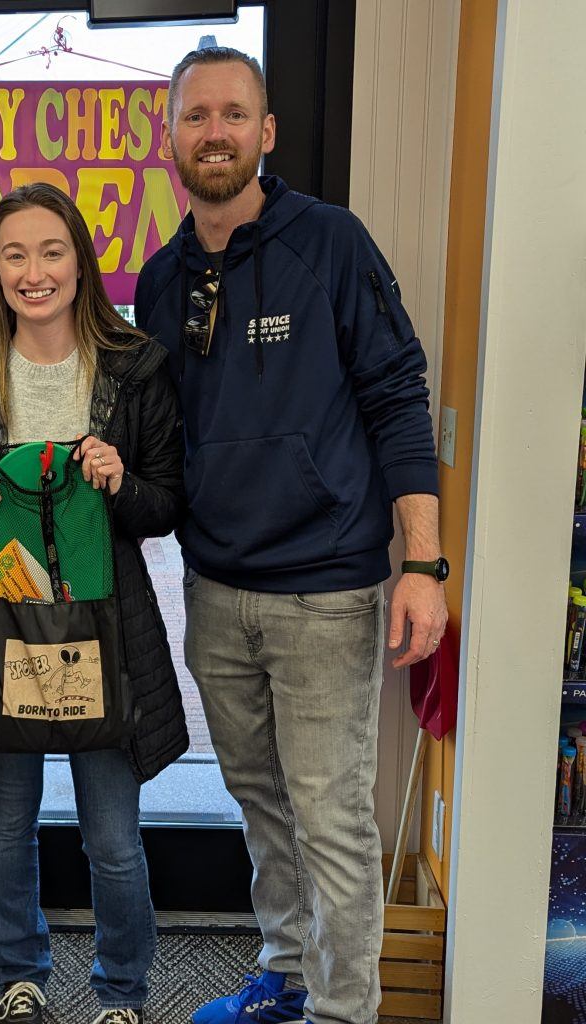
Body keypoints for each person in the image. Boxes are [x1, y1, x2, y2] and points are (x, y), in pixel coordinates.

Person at [134, 48, 448, 1024]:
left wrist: (423, 563)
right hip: (216, 595)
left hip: (326, 592)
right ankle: (284, 971)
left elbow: (398, 398)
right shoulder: (158, 279)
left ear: (264, 133)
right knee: (262, 806)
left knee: (332, 824)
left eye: (234, 114)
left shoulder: (331, 243)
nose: (214, 131)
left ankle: (343, 1010)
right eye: (196, 116)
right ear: (172, 137)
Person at [0, 182, 188, 1024]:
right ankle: (19, 978)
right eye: (14, 255)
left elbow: (167, 504)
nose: (34, 272)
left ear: (79, 261)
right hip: (2, 635)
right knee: (7, 826)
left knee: (112, 839)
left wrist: (120, 481)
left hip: (106, 634)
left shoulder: (135, 368)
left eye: (51, 251)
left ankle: (122, 992)